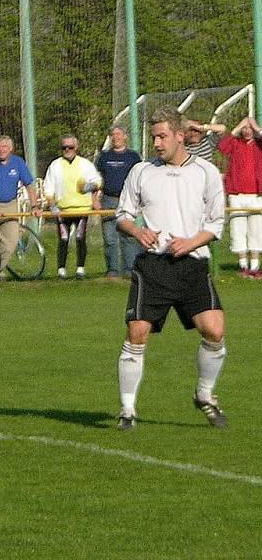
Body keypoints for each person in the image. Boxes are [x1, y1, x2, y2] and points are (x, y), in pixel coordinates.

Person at [114, 106, 227, 431]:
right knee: (137, 331)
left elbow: (216, 223)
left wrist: (191, 242)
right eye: (154, 138)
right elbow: (122, 215)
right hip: (154, 267)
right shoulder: (141, 171)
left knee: (214, 331)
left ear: (180, 135)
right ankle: (127, 411)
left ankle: (205, 395)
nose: (157, 143)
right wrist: (137, 231)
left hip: (192, 264)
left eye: (163, 136)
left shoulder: (205, 172)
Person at [0, 135, 42, 279]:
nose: (1, 150)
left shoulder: (18, 162)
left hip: (10, 205)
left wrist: (34, 205)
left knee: (11, 242)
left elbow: (29, 185)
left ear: (11, 149)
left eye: (4, 147)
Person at [44, 134, 102, 279]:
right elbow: (48, 188)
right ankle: (61, 269)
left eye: (70, 147)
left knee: (80, 237)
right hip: (63, 210)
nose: (67, 150)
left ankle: (80, 269)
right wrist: (52, 206)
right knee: (63, 238)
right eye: (64, 147)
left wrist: (90, 187)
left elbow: (98, 181)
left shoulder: (85, 164)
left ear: (76, 148)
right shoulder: (55, 165)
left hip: (82, 209)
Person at [217, 116, 262, 277]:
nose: (247, 131)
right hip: (237, 194)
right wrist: (237, 127)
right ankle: (243, 265)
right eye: (245, 128)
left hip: (257, 194)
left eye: (249, 128)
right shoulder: (235, 144)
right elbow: (222, 147)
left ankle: (255, 267)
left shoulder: (258, 145)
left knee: (256, 230)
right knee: (238, 229)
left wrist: (256, 127)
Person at [95, 126, 142, 278]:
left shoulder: (133, 157)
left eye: (118, 134)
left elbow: (140, 178)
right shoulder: (104, 157)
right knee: (110, 238)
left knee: (128, 237)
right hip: (108, 199)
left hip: (128, 199)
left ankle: (130, 269)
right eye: (113, 135)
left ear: (125, 137)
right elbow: (96, 180)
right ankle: (113, 270)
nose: (115, 137)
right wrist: (95, 198)